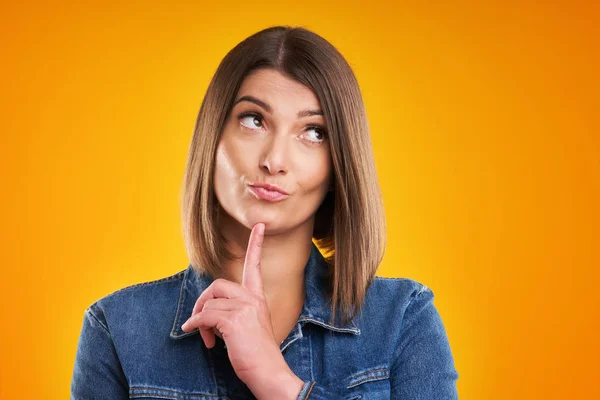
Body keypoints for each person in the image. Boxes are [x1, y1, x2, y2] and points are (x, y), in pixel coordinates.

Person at [70, 25, 459, 399]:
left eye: (313, 132)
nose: (275, 161)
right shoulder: (117, 329)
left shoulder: (402, 319)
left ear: (339, 164)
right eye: (254, 120)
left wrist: (276, 382)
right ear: (213, 138)